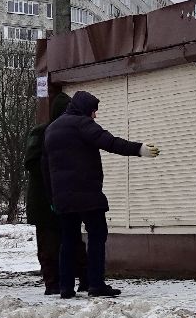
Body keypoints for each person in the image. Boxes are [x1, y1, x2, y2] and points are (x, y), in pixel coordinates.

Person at [43, 90, 160, 299]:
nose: (95, 116)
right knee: (97, 235)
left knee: (68, 240)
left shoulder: (51, 129)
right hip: (87, 194)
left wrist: (52, 197)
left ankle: (66, 287)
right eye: (93, 111)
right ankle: (96, 284)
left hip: (62, 198)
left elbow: (45, 167)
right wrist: (139, 149)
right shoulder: (82, 124)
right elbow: (111, 143)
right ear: (84, 109)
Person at [23, 92, 70, 294]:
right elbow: (31, 163)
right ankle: (52, 283)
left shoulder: (67, 133)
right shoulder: (41, 132)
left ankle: (65, 280)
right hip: (43, 201)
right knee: (48, 244)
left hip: (62, 199)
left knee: (66, 241)